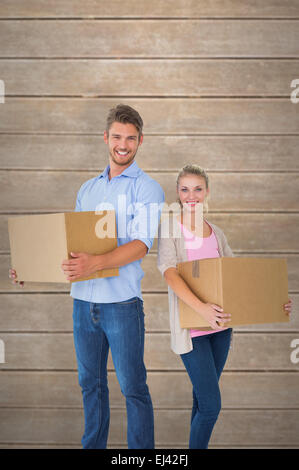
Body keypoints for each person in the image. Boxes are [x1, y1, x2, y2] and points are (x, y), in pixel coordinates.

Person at [9, 104, 165, 449]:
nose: (123, 145)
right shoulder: (87, 189)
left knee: (133, 387)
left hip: (122, 304)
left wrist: (95, 263)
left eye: (130, 139)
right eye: (117, 137)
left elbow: (141, 245)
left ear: (140, 141)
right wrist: (32, 266)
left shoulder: (148, 189)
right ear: (105, 137)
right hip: (83, 304)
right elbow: (71, 244)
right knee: (90, 385)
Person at [157, 164, 292, 449]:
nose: (191, 196)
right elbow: (169, 272)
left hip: (221, 328)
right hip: (192, 332)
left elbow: (237, 276)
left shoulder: (216, 232)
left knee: (201, 400)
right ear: (178, 194)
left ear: (207, 192)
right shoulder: (170, 227)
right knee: (211, 405)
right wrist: (202, 308)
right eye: (184, 189)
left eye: (197, 189)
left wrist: (274, 298)